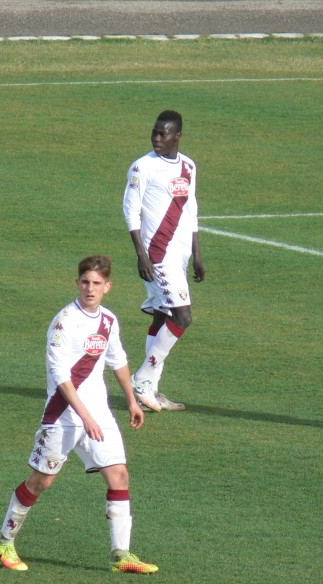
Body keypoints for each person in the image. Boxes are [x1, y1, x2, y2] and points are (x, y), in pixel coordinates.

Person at [0, 255, 158, 574]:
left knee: (119, 475)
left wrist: (133, 401)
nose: (90, 288)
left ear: (108, 287)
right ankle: (4, 540)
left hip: (99, 414)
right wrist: (86, 417)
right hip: (63, 416)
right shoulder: (64, 322)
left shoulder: (108, 320)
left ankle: (121, 554)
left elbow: (118, 361)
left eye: (97, 283)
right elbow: (61, 377)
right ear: (77, 283)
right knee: (43, 481)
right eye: (85, 282)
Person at [122, 110, 205, 412]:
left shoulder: (188, 167)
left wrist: (197, 253)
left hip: (179, 254)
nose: (157, 138)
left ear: (178, 136)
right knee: (182, 317)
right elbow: (130, 211)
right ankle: (143, 379)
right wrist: (141, 255)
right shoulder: (143, 167)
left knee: (161, 315)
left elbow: (191, 208)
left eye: (163, 134)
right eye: (154, 133)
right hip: (157, 254)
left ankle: (150, 392)